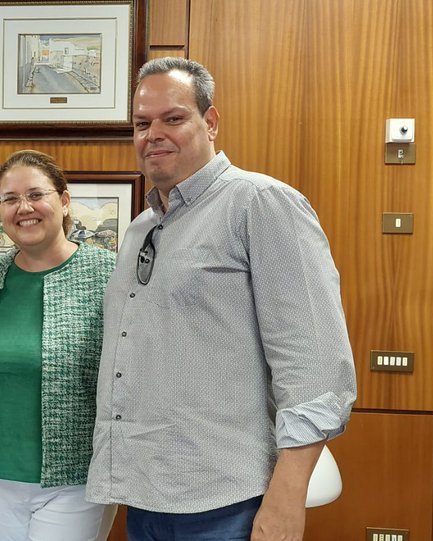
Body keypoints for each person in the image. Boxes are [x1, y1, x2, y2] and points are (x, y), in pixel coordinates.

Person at [85, 57, 358, 541]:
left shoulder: (261, 204)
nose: (154, 134)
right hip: (146, 497)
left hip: (230, 503)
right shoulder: (139, 229)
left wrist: (286, 500)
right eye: (141, 124)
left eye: (173, 118)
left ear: (210, 122)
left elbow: (316, 370)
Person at [0, 150, 117, 541]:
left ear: (64, 201)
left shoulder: (109, 274)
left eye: (36, 194)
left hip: (74, 478)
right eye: (10, 199)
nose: (23, 208)